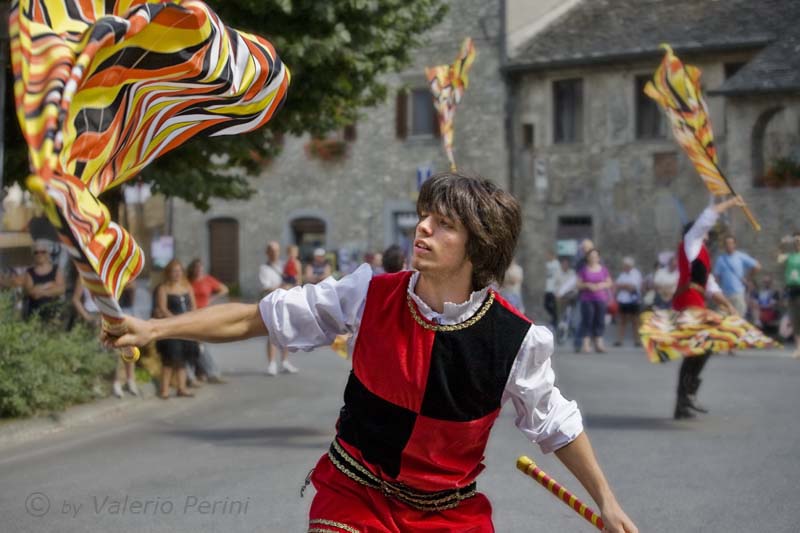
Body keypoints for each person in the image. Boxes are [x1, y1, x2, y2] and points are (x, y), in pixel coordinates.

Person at [105, 173, 637, 533]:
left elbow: (556, 424)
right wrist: (154, 328)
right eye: (424, 215)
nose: (422, 226)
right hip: (354, 494)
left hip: (448, 515)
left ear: (478, 247)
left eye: (443, 223)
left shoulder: (517, 340)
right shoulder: (366, 293)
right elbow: (256, 316)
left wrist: (607, 502)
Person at [638, 197, 777, 419]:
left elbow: (710, 286)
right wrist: (730, 203)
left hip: (696, 304)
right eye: (706, 232)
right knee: (702, 346)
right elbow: (706, 217)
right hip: (687, 304)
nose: (709, 234)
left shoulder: (701, 255)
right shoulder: (690, 243)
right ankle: (687, 396)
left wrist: (729, 304)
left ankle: (683, 401)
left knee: (700, 348)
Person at [73, 277, 139, 398]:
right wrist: (87, 317)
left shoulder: (108, 270)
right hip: (94, 314)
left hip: (112, 314)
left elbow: (127, 289)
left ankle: (124, 381)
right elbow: (76, 299)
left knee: (123, 347)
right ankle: (98, 383)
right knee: (98, 351)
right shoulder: (83, 274)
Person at [153, 259, 198, 399]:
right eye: (174, 271)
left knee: (183, 359)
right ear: (168, 273)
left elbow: (193, 306)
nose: (177, 274)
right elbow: (163, 308)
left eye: (179, 271)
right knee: (170, 359)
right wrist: (177, 321)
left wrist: (191, 320)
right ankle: (164, 390)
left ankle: (182, 388)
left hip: (186, 327)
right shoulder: (163, 288)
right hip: (171, 327)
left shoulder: (187, 286)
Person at [187, 259, 228, 384]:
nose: (198, 270)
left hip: (205, 314)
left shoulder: (208, 280)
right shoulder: (189, 281)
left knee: (201, 343)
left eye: (200, 267)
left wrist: (211, 299)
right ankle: (205, 372)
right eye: (196, 267)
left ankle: (207, 372)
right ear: (193, 269)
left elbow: (224, 289)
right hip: (191, 314)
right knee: (197, 344)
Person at [260, 241, 298, 375]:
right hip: (272, 302)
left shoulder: (284, 265)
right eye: (272, 250)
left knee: (286, 331)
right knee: (272, 333)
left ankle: (285, 362)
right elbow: (266, 287)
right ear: (267, 252)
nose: (275, 252)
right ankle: (271, 364)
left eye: (277, 250)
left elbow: (294, 279)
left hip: (286, 301)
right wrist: (282, 287)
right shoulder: (264, 268)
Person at [713, 235, 761, 317]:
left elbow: (757, 266)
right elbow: (716, 278)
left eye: (731, 243)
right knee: (721, 319)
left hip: (738, 294)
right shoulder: (720, 259)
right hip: (725, 295)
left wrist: (747, 278)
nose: (729, 245)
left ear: (735, 244)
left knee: (738, 320)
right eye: (727, 243)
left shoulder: (741, 256)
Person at [576, 249, 612, 353]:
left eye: (595, 256)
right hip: (587, 299)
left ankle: (598, 343)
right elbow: (578, 284)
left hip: (600, 299)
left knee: (600, 321)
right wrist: (587, 285)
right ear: (587, 258)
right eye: (591, 256)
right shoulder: (583, 270)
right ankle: (586, 344)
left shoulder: (603, 270)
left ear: (598, 258)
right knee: (587, 320)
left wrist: (601, 285)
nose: (593, 258)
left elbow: (609, 283)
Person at [22, 239, 65, 322]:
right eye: (36, 252)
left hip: (53, 314)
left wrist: (40, 291)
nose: (39, 254)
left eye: (42, 252)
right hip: (34, 315)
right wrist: (50, 285)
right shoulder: (29, 272)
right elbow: (32, 293)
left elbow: (61, 289)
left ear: (48, 253)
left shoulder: (56, 269)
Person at [778, 231, 800, 357]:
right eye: (796, 241)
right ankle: (798, 349)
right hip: (792, 290)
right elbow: (779, 258)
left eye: (799, 241)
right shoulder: (789, 256)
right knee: (795, 319)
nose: (798, 243)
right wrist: (782, 243)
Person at [613, 257, 642, 347]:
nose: (624, 267)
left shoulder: (636, 273)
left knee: (635, 321)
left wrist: (623, 286)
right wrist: (625, 286)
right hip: (623, 300)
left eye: (625, 265)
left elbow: (633, 287)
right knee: (622, 320)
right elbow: (616, 285)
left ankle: (637, 340)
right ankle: (619, 340)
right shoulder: (622, 274)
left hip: (633, 300)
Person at [543, 251, 559, 328]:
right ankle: (554, 318)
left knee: (554, 305)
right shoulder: (547, 264)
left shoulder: (556, 264)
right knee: (546, 304)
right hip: (548, 288)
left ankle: (555, 321)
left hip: (554, 288)